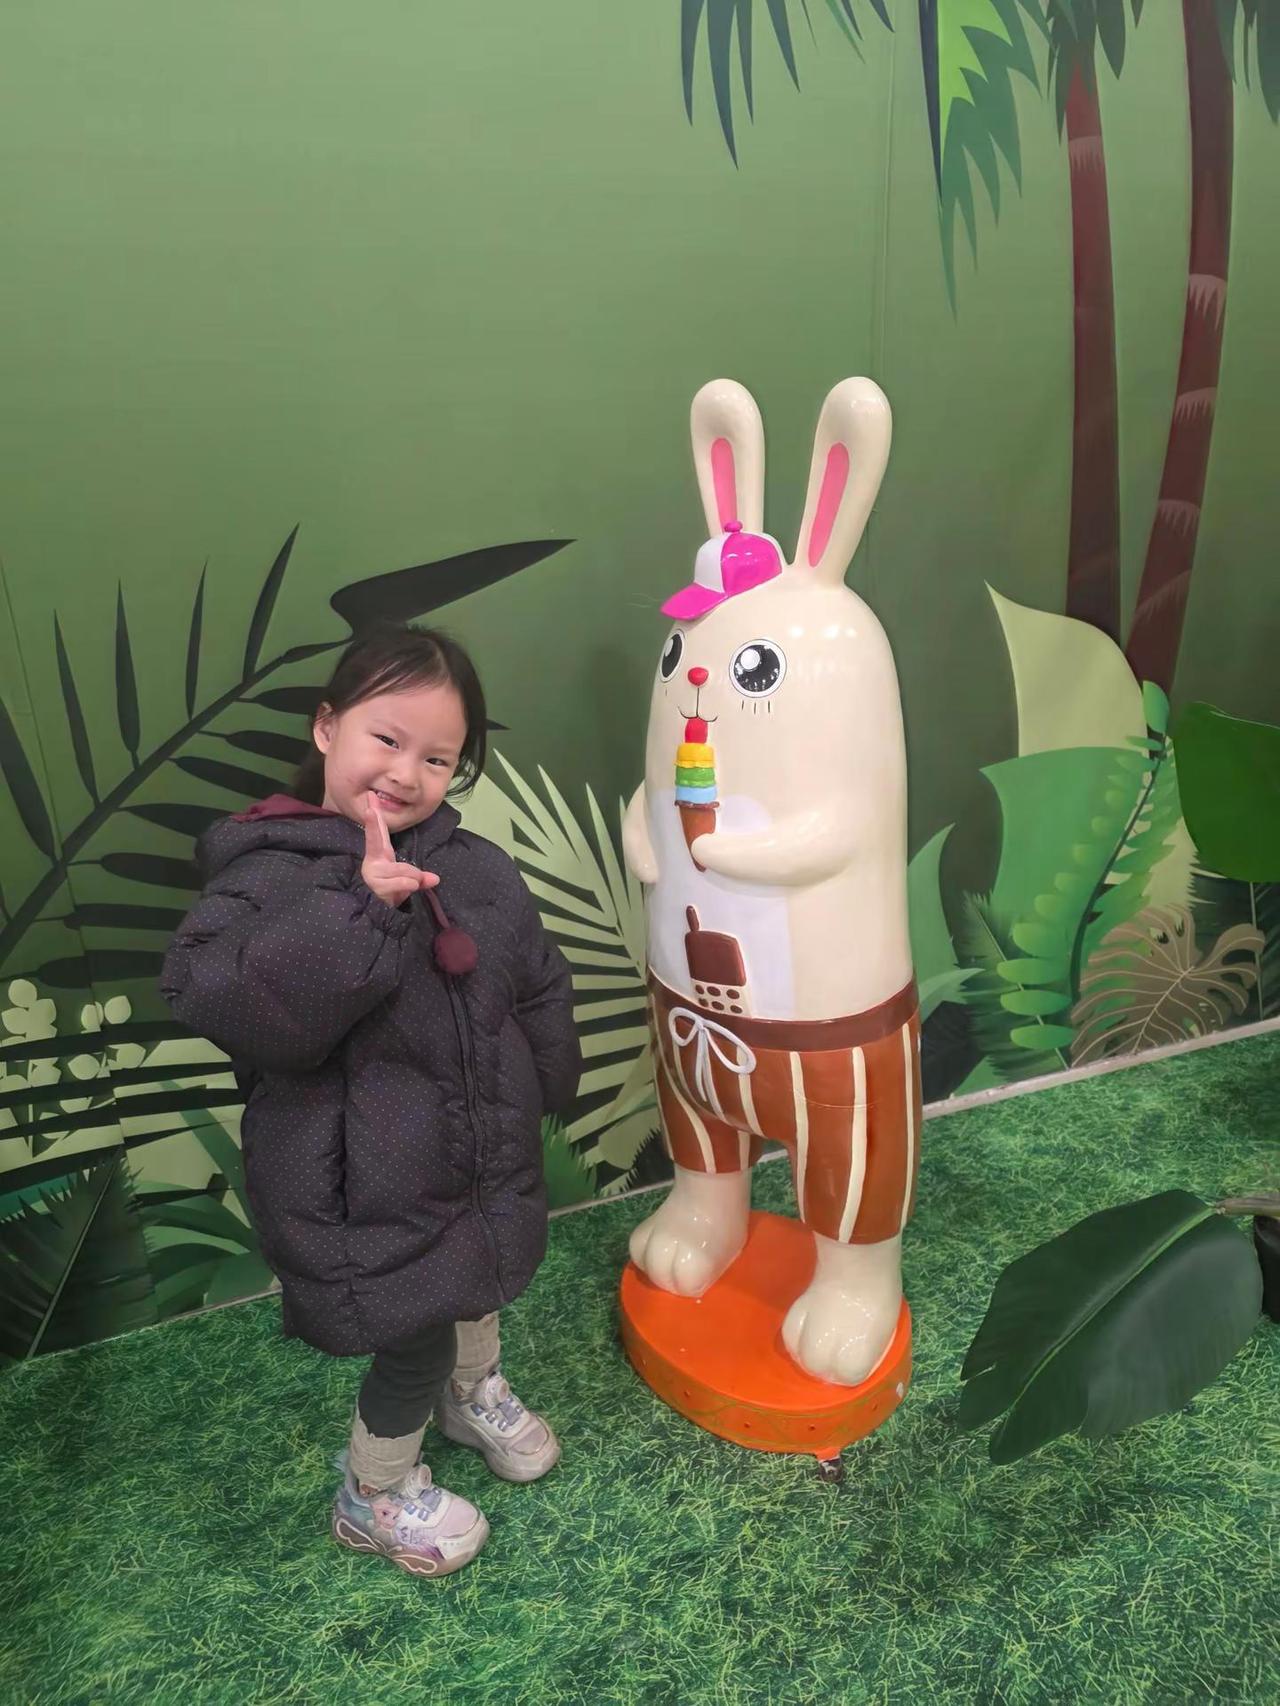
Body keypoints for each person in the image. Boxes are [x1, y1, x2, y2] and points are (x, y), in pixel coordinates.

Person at [162, 622, 581, 1577]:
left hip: (476, 1157)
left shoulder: (474, 865)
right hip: (364, 1183)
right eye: (386, 739)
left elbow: (536, 975)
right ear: (327, 728)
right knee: (413, 1340)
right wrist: (362, 908)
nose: (405, 772)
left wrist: (547, 1077)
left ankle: (471, 1395)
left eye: (437, 758)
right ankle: (372, 1492)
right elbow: (220, 993)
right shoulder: (267, 870)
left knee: (480, 1282)